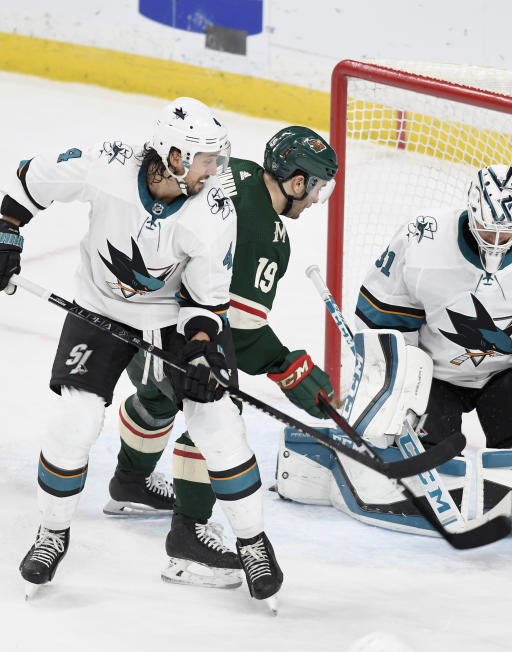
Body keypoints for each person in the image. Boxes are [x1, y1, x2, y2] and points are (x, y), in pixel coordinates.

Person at [0, 97, 282, 604]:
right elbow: (30, 181)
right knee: (74, 419)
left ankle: (253, 542)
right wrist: (5, 231)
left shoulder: (215, 208)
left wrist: (201, 350)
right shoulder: (108, 163)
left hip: (179, 316)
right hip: (101, 308)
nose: (216, 170)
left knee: (218, 424)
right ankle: (53, 533)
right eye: (206, 159)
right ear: (174, 157)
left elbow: (206, 302)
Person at [101, 126, 338, 589]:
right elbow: (239, 333)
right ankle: (189, 544)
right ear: (295, 183)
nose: (314, 200)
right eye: (315, 189)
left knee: (157, 398)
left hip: (134, 299)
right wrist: (287, 366)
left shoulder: (242, 172)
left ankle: (129, 484)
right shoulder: (266, 236)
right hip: (172, 326)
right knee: (212, 414)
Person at [353, 164, 512, 450]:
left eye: (505, 233)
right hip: (431, 376)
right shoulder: (422, 239)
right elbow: (384, 318)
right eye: (486, 230)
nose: (494, 242)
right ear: (471, 207)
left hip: (507, 378)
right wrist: (395, 384)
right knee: (417, 448)